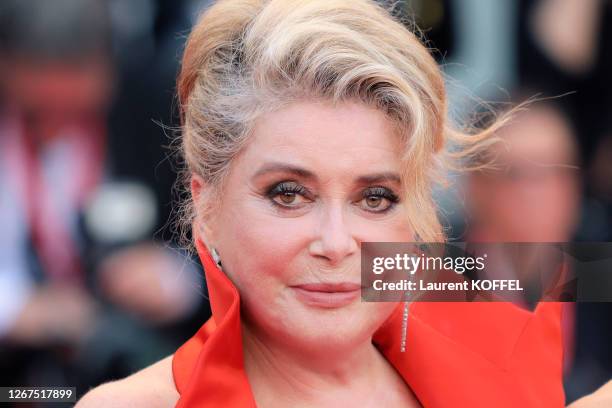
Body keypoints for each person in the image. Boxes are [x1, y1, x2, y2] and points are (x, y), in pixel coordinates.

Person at [77, 0, 575, 406]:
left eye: (375, 198)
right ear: (206, 206)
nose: (337, 244)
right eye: (289, 194)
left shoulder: (506, 385)